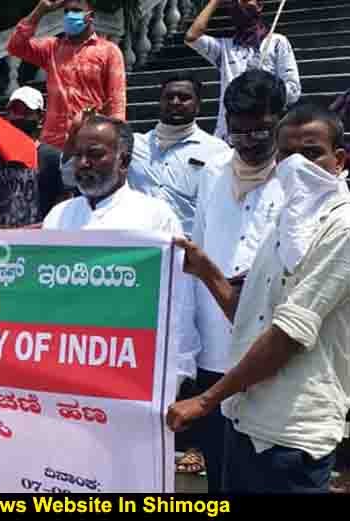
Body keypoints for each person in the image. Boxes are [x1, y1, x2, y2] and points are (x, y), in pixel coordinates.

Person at [168, 103, 349, 493]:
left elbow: (287, 334)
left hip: (291, 433)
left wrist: (206, 400)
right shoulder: (289, 220)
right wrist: (207, 272)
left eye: (312, 152)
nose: (297, 165)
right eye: (287, 154)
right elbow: (253, 319)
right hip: (246, 421)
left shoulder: (342, 226)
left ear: (339, 159)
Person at [185, 69, 288, 492]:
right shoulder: (211, 173)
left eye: (260, 131)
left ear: (279, 120)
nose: (248, 142)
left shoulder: (296, 178)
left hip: (271, 351)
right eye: (239, 132)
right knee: (218, 469)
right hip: (214, 348)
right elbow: (199, 249)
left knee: (262, 469)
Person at [45, 115, 200, 393]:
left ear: (124, 162)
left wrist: (177, 373)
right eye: (77, 155)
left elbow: (180, 300)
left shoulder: (154, 217)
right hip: (64, 366)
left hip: (133, 370)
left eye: (94, 155)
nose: (83, 164)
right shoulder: (58, 216)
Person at [7, 0, 126, 149]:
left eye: (76, 11)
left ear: (90, 16)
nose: (70, 15)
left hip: (88, 142)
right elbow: (15, 46)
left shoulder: (109, 51)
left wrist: (115, 144)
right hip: (52, 143)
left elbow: (116, 103)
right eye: (66, 11)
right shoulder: (52, 48)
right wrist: (40, 10)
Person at [128, 72, 233, 236]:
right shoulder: (133, 145)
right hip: (138, 245)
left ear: (198, 105)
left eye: (184, 98)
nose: (175, 102)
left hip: (187, 249)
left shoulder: (217, 151)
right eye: (169, 97)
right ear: (160, 102)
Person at [185, 0, 301, 140]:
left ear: (259, 6)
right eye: (234, 2)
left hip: (265, 132)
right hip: (230, 133)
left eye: (245, 0)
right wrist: (214, 2)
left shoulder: (277, 42)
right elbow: (192, 36)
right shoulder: (225, 48)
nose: (240, 4)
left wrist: (263, 91)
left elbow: (293, 90)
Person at [0, 87, 67, 228]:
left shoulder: (54, 159)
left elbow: (63, 204)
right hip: (3, 244)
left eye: (26, 111)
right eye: (14, 111)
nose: (18, 117)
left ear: (40, 117)